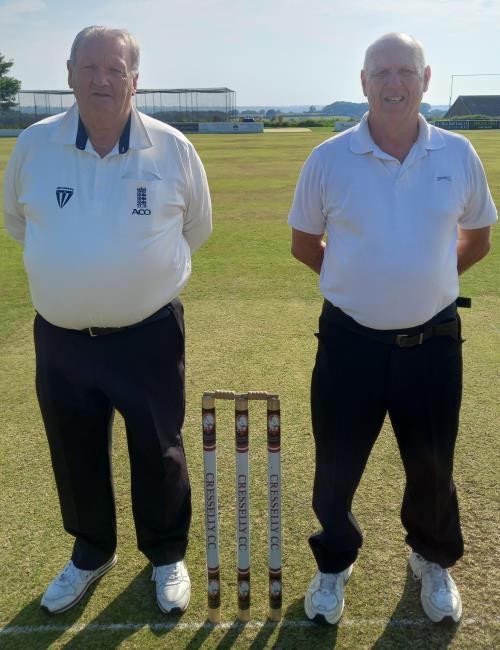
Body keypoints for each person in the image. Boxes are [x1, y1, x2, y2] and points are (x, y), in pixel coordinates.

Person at [288, 32, 497, 625]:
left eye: (405, 71)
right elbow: (305, 244)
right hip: (349, 342)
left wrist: (427, 280)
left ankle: (431, 559)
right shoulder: (328, 158)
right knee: (336, 464)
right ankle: (334, 563)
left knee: (433, 465)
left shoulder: (457, 155)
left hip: (433, 344)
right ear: (363, 82)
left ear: (426, 80)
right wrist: (361, 284)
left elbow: (477, 239)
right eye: (381, 72)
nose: (393, 83)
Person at [3, 26, 212, 615]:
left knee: (159, 447)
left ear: (134, 80)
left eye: (114, 69)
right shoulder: (34, 145)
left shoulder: (171, 148)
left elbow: (196, 228)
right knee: (74, 449)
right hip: (62, 338)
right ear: (68, 74)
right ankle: (92, 551)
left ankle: (167, 553)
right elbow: (20, 223)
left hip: (147, 334)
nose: (101, 79)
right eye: (88, 68)